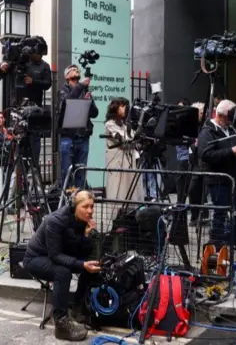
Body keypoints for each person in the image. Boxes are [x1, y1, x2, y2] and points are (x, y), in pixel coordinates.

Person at [23, 190, 101, 342]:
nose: (90, 211)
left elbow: (82, 252)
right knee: (63, 272)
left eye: (92, 206)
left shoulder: (83, 220)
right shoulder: (56, 220)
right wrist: (81, 264)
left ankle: (79, 306)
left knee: (94, 265)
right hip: (36, 258)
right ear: (75, 206)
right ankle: (61, 324)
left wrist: (86, 235)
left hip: (58, 256)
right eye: (85, 207)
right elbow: (55, 255)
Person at [0, 36, 52, 164]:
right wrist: (1, 66)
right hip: (16, 109)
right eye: (38, 53)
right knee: (16, 147)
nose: (39, 56)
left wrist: (33, 82)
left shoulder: (44, 66)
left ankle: (32, 172)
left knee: (33, 144)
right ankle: (16, 175)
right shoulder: (20, 62)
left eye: (41, 53)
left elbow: (48, 83)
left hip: (34, 111)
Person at [198, 100, 236, 247]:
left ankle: (235, 239)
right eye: (227, 117)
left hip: (233, 178)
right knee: (220, 213)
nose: (230, 121)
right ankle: (216, 243)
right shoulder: (207, 131)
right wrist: (230, 152)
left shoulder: (230, 130)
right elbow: (205, 154)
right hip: (218, 179)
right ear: (220, 115)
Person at [58, 64, 99, 191]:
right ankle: (66, 200)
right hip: (68, 138)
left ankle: (80, 199)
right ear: (66, 78)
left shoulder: (84, 92)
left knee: (81, 170)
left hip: (83, 137)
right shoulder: (62, 92)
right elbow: (68, 101)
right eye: (73, 79)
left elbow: (95, 113)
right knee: (67, 170)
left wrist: (89, 101)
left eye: (77, 79)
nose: (76, 82)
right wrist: (81, 85)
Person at [104, 98, 143, 205]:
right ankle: (118, 213)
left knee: (130, 186)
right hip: (117, 160)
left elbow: (134, 139)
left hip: (129, 159)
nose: (125, 108)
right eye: (122, 106)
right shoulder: (110, 124)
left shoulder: (125, 124)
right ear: (115, 108)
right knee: (119, 187)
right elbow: (124, 139)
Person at [188, 102, 209, 226]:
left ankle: (202, 216)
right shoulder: (192, 126)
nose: (200, 115)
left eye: (201, 113)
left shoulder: (206, 126)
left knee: (202, 191)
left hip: (202, 161)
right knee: (192, 190)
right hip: (195, 161)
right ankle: (195, 216)